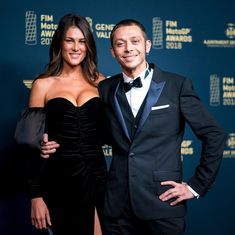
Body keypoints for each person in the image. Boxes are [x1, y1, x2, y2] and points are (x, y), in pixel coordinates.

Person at [41, 19, 226, 235]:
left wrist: (195, 187)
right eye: (120, 44)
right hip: (116, 209)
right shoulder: (105, 88)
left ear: (147, 46)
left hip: (163, 205)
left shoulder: (177, 85)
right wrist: (46, 143)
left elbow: (215, 135)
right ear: (112, 51)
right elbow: (91, 134)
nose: (128, 48)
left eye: (135, 41)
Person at [15, 13, 107, 235]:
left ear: (88, 46)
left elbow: (112, 131)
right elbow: (29, 146)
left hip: (96, 177)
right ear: (59, 43)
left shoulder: (101, 82)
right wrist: (36, 196)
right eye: (70, 40)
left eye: (82, 41)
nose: (76, 47)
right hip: (58, 180)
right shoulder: (43, 84)